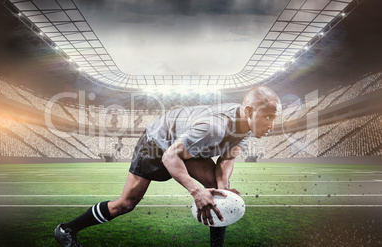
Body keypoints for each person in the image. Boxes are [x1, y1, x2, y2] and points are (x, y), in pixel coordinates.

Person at [54, 85, 281, 247]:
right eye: (268, 117)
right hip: (157, 144)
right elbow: (170, 157)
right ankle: (67, 229)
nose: (271, 124)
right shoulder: (215, 127)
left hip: (187, 146)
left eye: (274, 117)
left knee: (218, 193)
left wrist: (223, 186)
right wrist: (196, 190)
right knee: (126, 204)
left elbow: (228, 157)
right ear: (250, 111)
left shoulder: (248, 124)